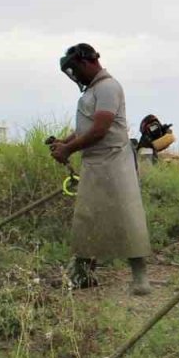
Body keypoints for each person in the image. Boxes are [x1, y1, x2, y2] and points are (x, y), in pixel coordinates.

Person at [49, 43, 152, 295]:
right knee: (88, 219)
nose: (74, 76)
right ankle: (83, 274)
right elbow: (86, 128)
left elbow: (100, 128)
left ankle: (140, 279)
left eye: (75, 70)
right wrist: (65, 142)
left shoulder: (108, 87)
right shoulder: (93, 91)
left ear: (87, 63)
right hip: (95, 163)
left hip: (115, 162)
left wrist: (68, 150)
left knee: (127, 218)